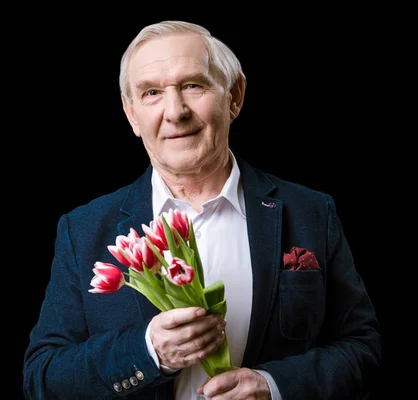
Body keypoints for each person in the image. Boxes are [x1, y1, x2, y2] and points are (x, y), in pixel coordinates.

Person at [22, 20, 382, 400]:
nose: (175, 112)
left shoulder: (312, 212)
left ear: (235, 96)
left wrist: (273, 387)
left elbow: (363, 350)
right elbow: (42, 378)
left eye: (193, 85)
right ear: (131, 115)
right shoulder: (83, 231)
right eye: (152, 93)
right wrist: (148, 353)